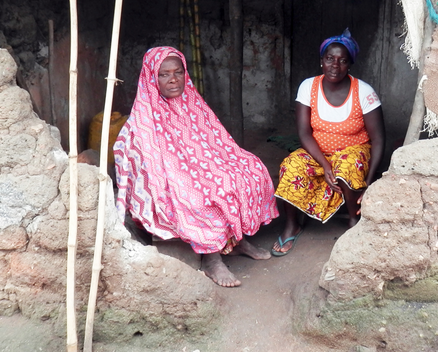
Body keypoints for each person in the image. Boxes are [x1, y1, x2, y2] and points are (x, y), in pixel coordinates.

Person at [114, 47, 278, 287]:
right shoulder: (144, 118)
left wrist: (222, 165)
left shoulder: (191, 102)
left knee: (251, 170)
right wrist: (195, 175)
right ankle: (211, 260)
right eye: (164, 74)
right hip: (172, 177)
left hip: (203, 167)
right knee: (204, 194)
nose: (173, 79)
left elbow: (218, 141)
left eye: (178, 72)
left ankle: (235, 240)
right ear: (151, 77)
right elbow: (142, 158)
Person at [272, 29, 384, 256]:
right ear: (321, 62)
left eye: (342, 61)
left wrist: (370, 184)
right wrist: (324, 164)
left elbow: (379, 139)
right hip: (318, 151)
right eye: (329, 59)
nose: (335, 65)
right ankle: (292, 224)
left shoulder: (364, 92)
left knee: (347, 168)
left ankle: (354, 220)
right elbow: (304, 133)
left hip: (354, 150)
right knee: (291, 165)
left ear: (350, 64)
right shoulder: (308, 87)